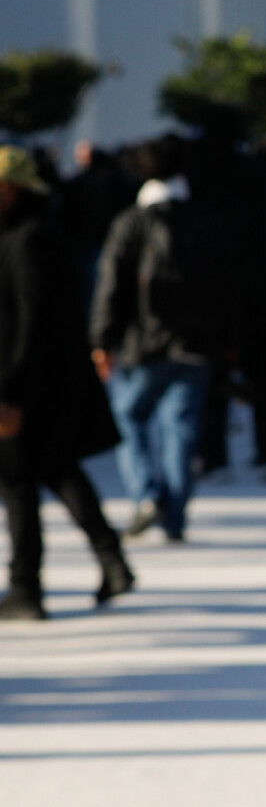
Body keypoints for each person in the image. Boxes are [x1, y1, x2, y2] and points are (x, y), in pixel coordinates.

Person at [0, 147, 133, 620]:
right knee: (57, 470)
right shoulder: (32, 233)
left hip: (33, 385)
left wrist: (11, 392)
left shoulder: (29, 239)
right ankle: (111, 558)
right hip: (46, 381)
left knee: (18, 482)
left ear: (11, 189)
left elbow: (32, 321)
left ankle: (25, 588)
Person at [90, 142, 231, 540]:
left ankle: (146, 494)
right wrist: (230, 341)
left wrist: (102, 339)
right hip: (197, 345)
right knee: (181, 430)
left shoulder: (130, 222)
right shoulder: (205, 220)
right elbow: (228, 286)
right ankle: (174, 516)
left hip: (141, 345)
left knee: (128, 418)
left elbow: (110, 284)